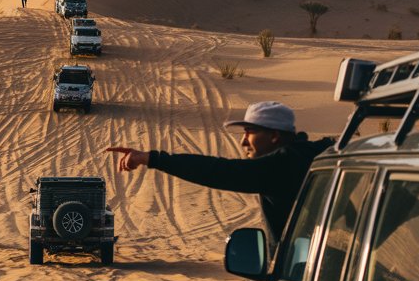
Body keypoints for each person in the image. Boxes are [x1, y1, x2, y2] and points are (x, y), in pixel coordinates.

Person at [106, 101, 334, 244]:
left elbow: (220, 171)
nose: (243, 141)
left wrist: (152, 158)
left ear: (274, 136)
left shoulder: (283, 166)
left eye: (250, 132)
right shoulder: (312, 155)